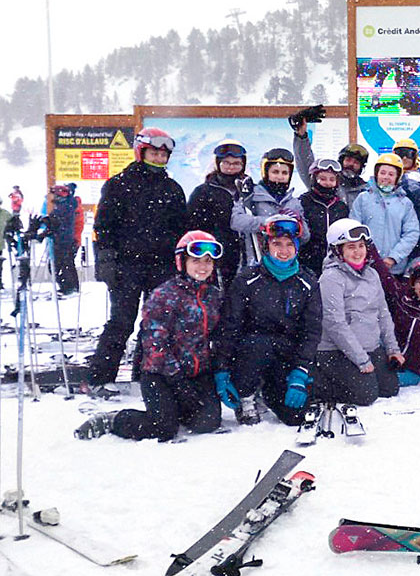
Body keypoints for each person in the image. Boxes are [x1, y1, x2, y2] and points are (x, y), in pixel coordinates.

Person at [74, 231, 225, 441]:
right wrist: (177, 379)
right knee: (162, 428)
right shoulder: (165, 295)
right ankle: (115, 420)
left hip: (197, 373)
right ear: (182, 262)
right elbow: (154, 344)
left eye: (208, 261)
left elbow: (219, 337)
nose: (203, 267)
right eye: (196, 260)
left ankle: (174, 409)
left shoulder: (214, 296)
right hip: (161, 374)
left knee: (207, 422)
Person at [89, 128, 188, 392]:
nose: (158, 158)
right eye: (154, 152)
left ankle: (145, 375)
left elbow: (181, 229)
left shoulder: (172, 189)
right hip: (127, 266)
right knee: (122, 321)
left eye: (163, 154)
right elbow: (103, 226)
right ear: (141, 151)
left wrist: (181, 265)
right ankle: (100, 377)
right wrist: (106, 260)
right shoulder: (119, 184)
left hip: (162, 266)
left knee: (155, 323)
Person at [212, 215, 322, 426]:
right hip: (250, 354)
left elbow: (311, 331)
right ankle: (247, 395)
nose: (284, 250)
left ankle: (271, 390)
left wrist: (301, 371)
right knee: (260, 343)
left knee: (295, 417)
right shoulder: (247, 280)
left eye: (290, 244)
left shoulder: (307, 282)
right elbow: (230, 326)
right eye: (277, 244)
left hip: (285, 354)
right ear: (266, 246)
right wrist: (222, 369)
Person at [316, 219, 402, 405]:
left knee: (390, 388)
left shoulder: (372, 274)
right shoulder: (331, 278)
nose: (358, 252)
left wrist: (392, 349)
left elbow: (383, 313)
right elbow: (335, 323)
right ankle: (317, 381)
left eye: (361, 246)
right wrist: (361, 359)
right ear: (338, 250)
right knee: (366, 395)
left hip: (369, 345)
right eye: (351, 247)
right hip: (336, 351)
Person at [231, 148, 310, 268]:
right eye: (275, 172)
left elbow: (305, 237)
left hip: (284, 263)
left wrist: (298, 224)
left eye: (284, 173)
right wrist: (266, 223)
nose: (279, 176)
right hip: (257, 262)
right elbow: (236, 221)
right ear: (266, 173)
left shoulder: (293, 202)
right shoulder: (251, 196)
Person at [186, 140, 251, 283]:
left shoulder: (250, 191)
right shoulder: (203, 192)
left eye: (236, 163)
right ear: (218, 163)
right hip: (215, 255)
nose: (231, 167)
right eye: (226, 163)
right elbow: (191, 226)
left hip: (247, 255)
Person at [349, 153, 420, 275]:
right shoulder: (363, 198)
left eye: (391, 174)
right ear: (376, 174)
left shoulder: (405, 203)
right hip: (365, 267)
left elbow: (411, 233)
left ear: (398, 178)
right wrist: (365, 255)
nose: (386, 177)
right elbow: (354, 229)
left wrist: (393, 257)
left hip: (394, 270)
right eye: (382, 173)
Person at [296, 158, 351, 277]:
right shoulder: (304, 202)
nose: (327, 183)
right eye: (322, 179)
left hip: (335, 264)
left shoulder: (340, 207)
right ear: (314, 179)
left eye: (332, 179)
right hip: (307, 263)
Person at [43, 183, 81, 296]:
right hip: (65, 239)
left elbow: (59, 222)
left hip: (63, 240)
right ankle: (70, 287)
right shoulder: (67, 205)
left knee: (60, 265)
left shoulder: (65, 206)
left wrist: (48, 224)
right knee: (66, 264)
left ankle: (68, 287)